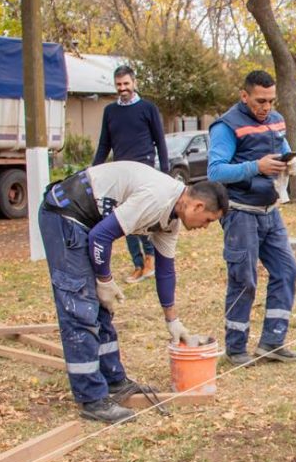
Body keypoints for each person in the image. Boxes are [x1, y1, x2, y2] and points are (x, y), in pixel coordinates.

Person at [39, 161, 228, 423]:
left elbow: (165, 270)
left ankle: (114, 380)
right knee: (80, 306)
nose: (205, 226)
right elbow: (100, 238)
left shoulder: (171, 220)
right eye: (208, 220)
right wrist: (104, 280)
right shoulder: (157, 197)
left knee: (102, 309)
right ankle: (92, 399)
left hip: (88, 223)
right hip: (65, 215)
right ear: (197, 206)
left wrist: (172, 320)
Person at [208, 70, 296, 367]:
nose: (266, 107)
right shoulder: (226, 127)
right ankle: (236, 348)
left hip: (270, 212)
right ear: (244, 95)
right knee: (244, 279)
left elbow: (281, 147)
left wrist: (291, 161)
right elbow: (215, 172)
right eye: (260, 101)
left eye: (271, 101)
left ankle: (272, 342)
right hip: (240, 213)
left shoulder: (274, 119)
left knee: (287, 271)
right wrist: (256, 167)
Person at [93, 65, 170, 284]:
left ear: (134, 83)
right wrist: (92, 171)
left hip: (144, 170)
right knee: (123, 220)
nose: (122, 88)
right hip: (120, 174)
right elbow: (103, 145)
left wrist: (165, 172)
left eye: (126, 84)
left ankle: (149, 260)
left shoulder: (148, 108)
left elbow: (160, 142)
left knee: (142, 218)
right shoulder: (110, 111)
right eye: (118, 85)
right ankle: (137, 265)